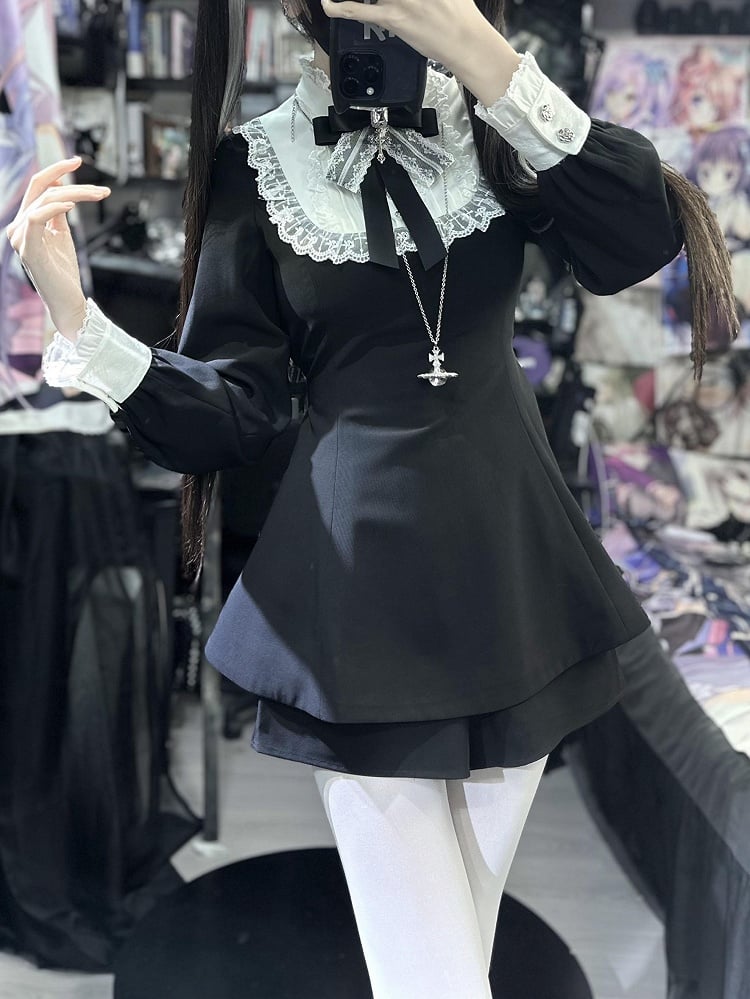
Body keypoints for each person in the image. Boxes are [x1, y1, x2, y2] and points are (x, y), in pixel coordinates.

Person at [5, 1, 738, 995]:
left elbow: (635, 240)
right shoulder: (256, 163)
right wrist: (77, 321)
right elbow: (236, 412)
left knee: (457, 955)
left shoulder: (498, 118)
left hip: (513, 569)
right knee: (433, 979)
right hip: (356, 597)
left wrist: (478, 50)